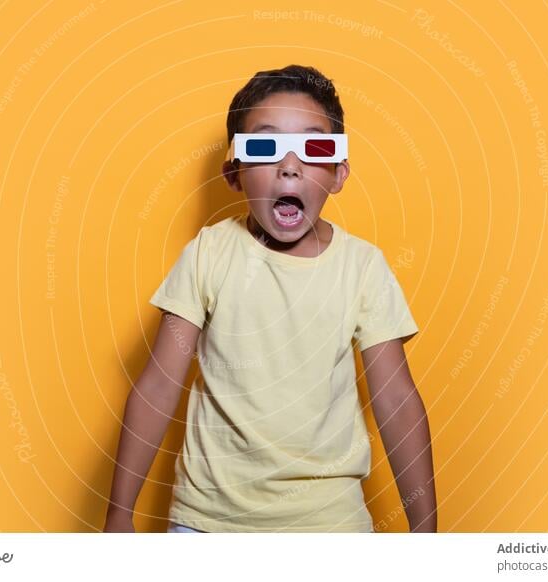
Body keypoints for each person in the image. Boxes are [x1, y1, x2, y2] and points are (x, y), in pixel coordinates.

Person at [104, 64, 436, 533]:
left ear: (339, 174)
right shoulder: (208, 255)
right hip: (207, 526)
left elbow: (397, 401)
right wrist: (119, 514)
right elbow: (158, 387)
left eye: (314, 147)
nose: (290, 165)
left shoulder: (362, 268)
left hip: (331, 527)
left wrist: (427, 536)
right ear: (234, 173)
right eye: (264, 147)